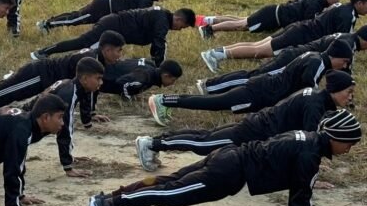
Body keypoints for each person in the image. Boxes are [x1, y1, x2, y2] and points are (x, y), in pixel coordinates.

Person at [88, 109, 361, 206]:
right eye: (349, 143)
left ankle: (111, 200)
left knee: (167, 184)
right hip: (229, 171)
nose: (349, 149)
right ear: (336, 137)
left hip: (229, 157)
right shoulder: (310, 155)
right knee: (172, 194)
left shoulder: (306, 139)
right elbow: (300, 198)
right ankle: (110, 204)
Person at [135, 70, 355, 170]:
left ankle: (154, 143)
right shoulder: (315, 105)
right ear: (335, 90)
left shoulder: (318, 98)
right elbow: (310, 142)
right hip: (256, 130)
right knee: (204, 143)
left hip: (259, 126)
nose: (351, 96)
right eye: (349, 92)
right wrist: (313, 169)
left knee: (206, 138)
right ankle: (151, 143)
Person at [147, 41, 352, 126]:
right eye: (344, 63)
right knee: (212, 103)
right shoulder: (318, 63)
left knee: (215, 103)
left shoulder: (315, 56)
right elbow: (310, 91)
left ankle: (165, 100)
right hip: (261, 92)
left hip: (263, 90)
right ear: (338, 58)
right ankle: (164, 100)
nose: (343, 67)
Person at [0, 30, 125, 117]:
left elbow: (88, 91)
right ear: (107, 49)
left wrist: (90, 114)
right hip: (37, 74)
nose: (120, 55)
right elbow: (84, 89)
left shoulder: (97, 61)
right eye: (118, 50)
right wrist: (88, 115)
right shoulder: (90, 60)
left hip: (42, 79)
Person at [200, 0, 367, 73]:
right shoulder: (348, 16)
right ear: (359, 3)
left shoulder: (343, 8)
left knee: (257, 45)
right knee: (259, 51)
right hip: (300, 35)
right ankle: (215, 55)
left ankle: (216, 52)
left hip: (299, 29)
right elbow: (341, 43)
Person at [197, 27, 367, 95]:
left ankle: (212, 85)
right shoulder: (347, 45)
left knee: (255, 74)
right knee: (254, 77)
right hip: (294, 58)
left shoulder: (347, 39)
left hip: (299, 57)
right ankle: (209, 85)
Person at [24, 57, 105, 176]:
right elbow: (65, 130)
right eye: (98, 78)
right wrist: (68, 166)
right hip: (26, 122)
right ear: (85, 79)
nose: (101, 82)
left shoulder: (74, 85)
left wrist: (88, 120)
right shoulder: (69, 94)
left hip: (33, 117)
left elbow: (86, 98)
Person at [31, 7, 196, 65]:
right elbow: (159, 43)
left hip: (114, 24)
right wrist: (159, 66)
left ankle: (45, 52)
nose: (180, 29)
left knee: (87, 48)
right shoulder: (162, 21)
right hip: (111, 26)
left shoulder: (162, 16)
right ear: (179, 18)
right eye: (183, 26)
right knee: (83, 45)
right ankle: (44, 52)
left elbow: (158, 43)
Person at [198, 0, 343, 38]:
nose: (338, 0)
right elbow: (308, 23)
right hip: (272, 15)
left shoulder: (319, 2)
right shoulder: (316, 3)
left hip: (273, 13)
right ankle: (209, 29)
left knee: (242, 21)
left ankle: (211, 24)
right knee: (242, 25)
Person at [36, 0, 170, 33]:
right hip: (104, 5)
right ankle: (47, 24)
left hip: (107, 5)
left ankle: (49, 23)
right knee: (77, 19)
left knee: (76, 15)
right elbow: (138, 18)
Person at [102, 58, 183, 102]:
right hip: (102, 77)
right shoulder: (145, 77)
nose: (173, 83)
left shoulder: (150, 66)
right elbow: (123, 83)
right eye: (173, 80)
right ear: (166, 76)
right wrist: (128, 100)